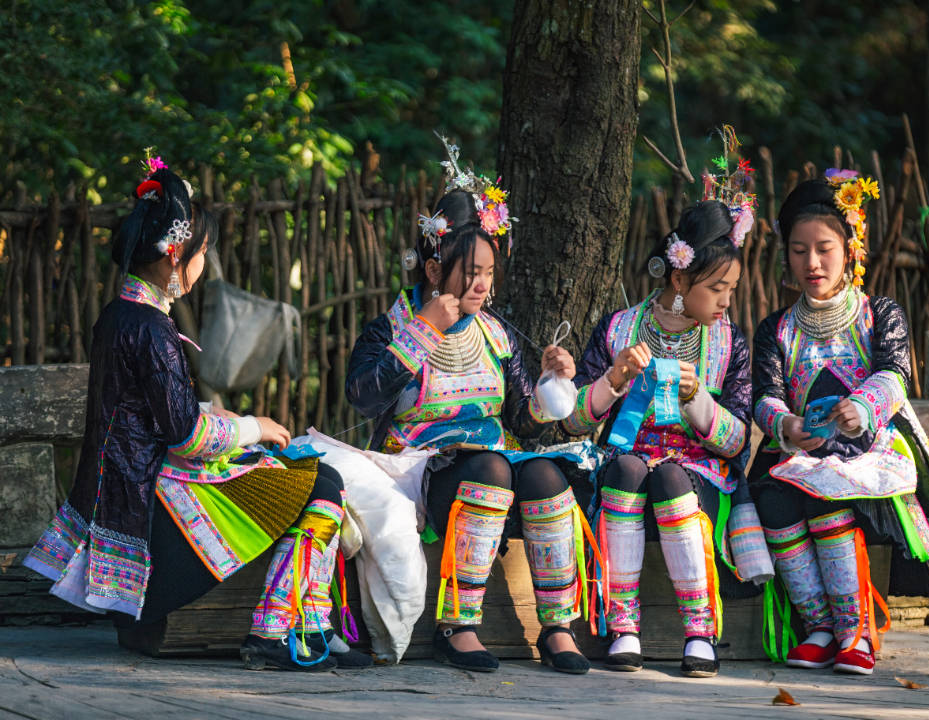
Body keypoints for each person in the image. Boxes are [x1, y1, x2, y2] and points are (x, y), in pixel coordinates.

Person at [23, 159, 366, 672]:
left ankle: (310, 623)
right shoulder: (153, 329)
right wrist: (256, 427)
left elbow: (146, 411)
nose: (205, 264)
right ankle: (281, 630)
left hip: (127, 491)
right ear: (176, 254)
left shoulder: (119, 316)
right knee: (321, 481)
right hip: (154, 508)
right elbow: (184, 436)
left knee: (293, 471)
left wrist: (218, 417)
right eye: (204, 253)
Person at [345, 139, 596, 674]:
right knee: (492, 467)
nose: (482, 284)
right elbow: (363, 396)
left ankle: (557, 625)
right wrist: (424, 331)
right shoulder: (390, 329)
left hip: (490, 465)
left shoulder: (495, 335)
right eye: (470, 271)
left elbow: (521, 423)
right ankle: (457, 625)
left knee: (548, 475)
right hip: (416, 471)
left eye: (488, 271)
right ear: (434, 271)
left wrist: (552, 384)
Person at [750, 171, 929, 675]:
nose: (811, 263)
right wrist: (787, 425)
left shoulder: (880, 314)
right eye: (798, 250)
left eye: (824, 248)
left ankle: (852, 629)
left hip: (869, 451)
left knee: (828, 492)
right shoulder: (776, 329)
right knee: (772, 495)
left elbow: (896, 373)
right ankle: (818, 626)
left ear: (850, 248)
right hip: (801, 451)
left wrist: (863, 409)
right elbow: (764, 396)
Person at [563, 144, 765, 677]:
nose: (726, 300)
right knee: (628, 469)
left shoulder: (728, 346)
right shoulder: (618, 330)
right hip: (626, 458)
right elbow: (575, 421)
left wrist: (698, 399)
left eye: (732, 289)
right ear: (679, 280)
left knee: (671, 476)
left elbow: (737, 439)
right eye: (716, 288)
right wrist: (613, 378)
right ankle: (622, 623)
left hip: (697, 471)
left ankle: (700, 631)